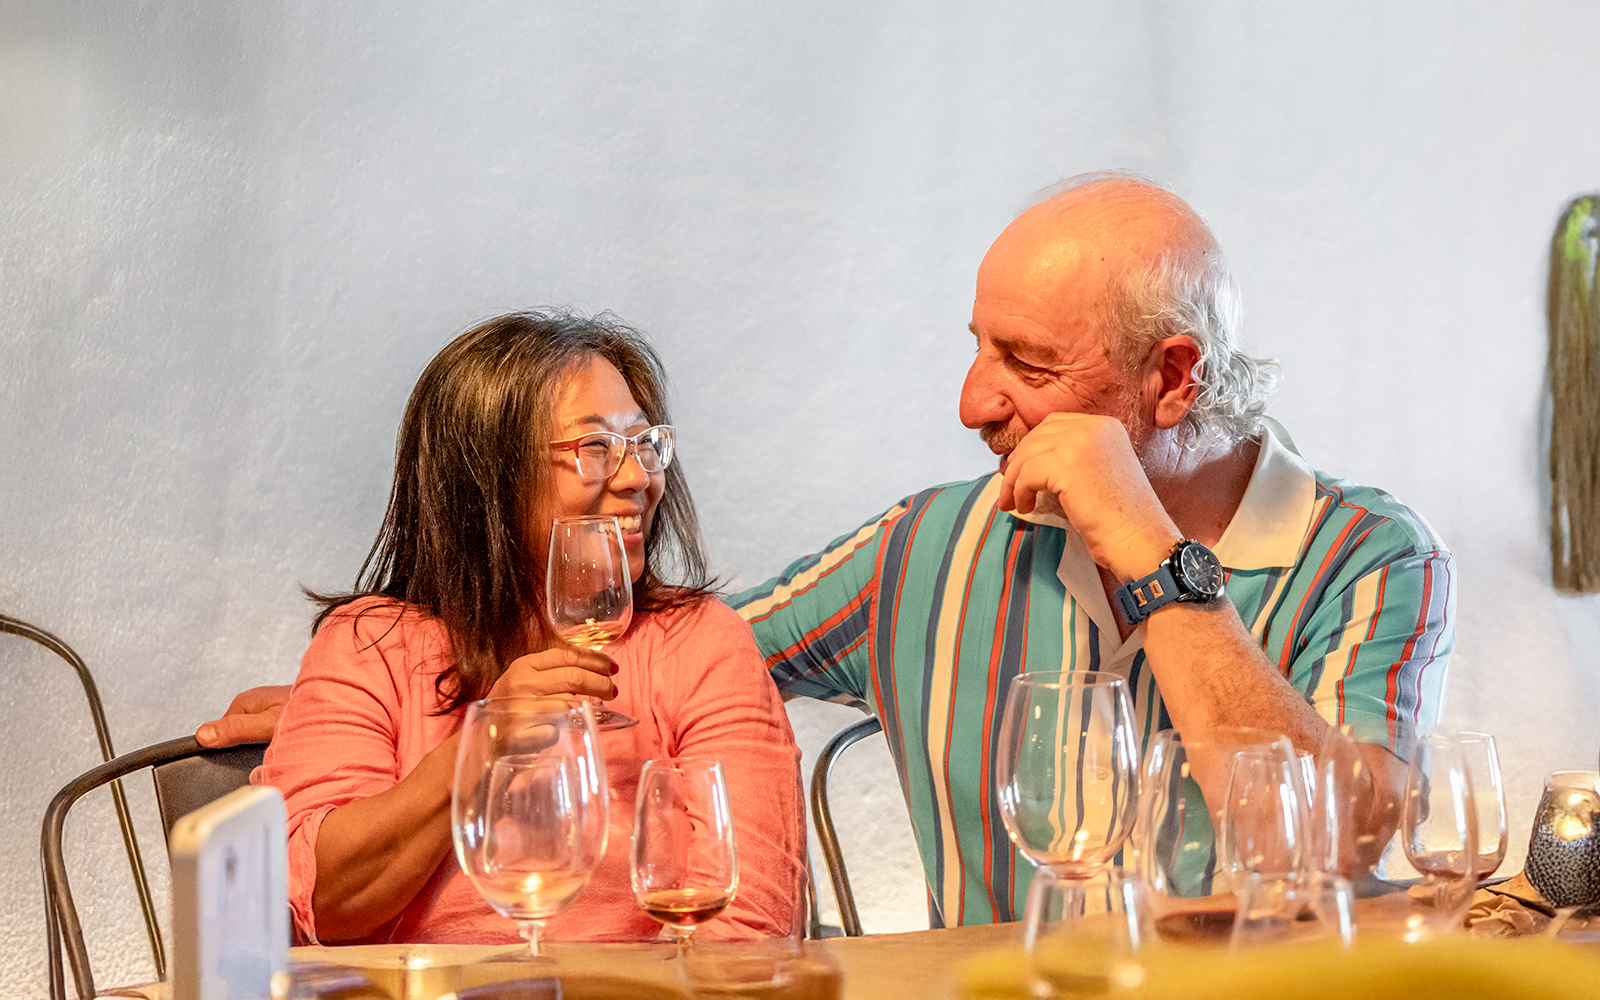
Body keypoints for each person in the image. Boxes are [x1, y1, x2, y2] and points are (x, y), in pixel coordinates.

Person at [205, 173, 1452, 929]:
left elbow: (1324, 841)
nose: (971, 400)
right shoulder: (930, 546)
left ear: (1171, 379)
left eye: (1024, 365)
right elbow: (677, 655)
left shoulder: (1369, 555)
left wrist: (1139, 541)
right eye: (978, 345)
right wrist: (422, 675)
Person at [249, 311, 804, 945]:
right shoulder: (368, 646)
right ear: (485, 478)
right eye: (594, 449)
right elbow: (315, 900)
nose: (638, 478)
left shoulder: (700, 642)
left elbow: (752, 921)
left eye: (644, 444)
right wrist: (479, 749)